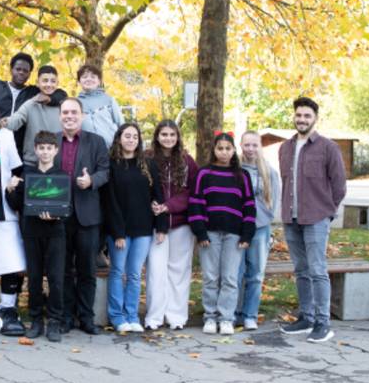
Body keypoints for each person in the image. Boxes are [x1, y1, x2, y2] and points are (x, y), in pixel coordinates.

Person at [279, 97, 347, 343]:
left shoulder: (328, 147)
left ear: (315, 119)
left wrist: (328, 212)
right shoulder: (285, 148)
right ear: (294, 116)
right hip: (291, 218)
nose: (302, 119)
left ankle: (323, 322)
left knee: (318, 270)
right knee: (301, 270)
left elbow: (339, 186)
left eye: (307, 116)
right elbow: (287, 183)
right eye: (299, 115)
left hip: (316, 218)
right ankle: (306, 318)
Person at [102, 123, 168, 335]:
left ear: (139, 140)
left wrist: (161, 226)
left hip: (143, 228)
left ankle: (131, 315)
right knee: (117, 271)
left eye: (134, 136)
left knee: (134, 274)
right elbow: (109, 201)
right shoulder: (111, 164)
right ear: (119, 138)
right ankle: (117, 316)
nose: (131, 140)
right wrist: (118, 232)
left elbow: (158, 196)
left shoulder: (147, 164)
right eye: (126, 136)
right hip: (119, 231)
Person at [190, 132, 256, 336]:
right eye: (220, 148)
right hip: (209, 233)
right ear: (214, 150)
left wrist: (247, 235)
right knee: (210, 277)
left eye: (228, 148)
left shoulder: (241, 175)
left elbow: (249, 205)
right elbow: (196, 204)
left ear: (233, 150)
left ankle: (226, 318)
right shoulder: (204, 174)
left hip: (234, 235)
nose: (224, 152)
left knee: (229, 278)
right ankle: (210, 317)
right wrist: (200, 232)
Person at [5, 131, 68, 342]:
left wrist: (56, 216)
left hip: (55, 234)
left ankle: (54, 322)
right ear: (36, 150)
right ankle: (36, 320)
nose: (45, 152)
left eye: (49, 148)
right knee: (33, 280)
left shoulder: (62, 176)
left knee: (56, 280)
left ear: (55, 150)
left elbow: (68, 209)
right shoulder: (28, 176)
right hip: (32, 233)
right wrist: (9, 190)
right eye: (41, 148)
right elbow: (16, 205)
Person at [56, 98, 110, 334]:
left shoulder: (96, 142)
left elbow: (106, 171)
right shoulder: (51, 141)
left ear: (83, 115)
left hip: (87, 215)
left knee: (87, 270)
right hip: (58, 216)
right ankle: (67, 316)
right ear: (60, 116)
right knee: (64, 270)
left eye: (74, 112)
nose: (69, 116)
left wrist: (91, 181)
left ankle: (86, 317)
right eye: (65, 112)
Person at [143, 120, 199, 331]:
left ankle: (176, 315)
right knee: (156, 271)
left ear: (178, 137)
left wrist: (168, 206)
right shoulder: (147, 159)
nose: (168, 138)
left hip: (180, 223)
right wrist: (154, 205)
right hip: (155, 224)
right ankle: (154, 316)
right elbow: (141, 186)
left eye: (172, 135)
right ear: (157, 136)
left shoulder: (187, 161)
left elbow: (192, 192)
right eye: (164, 134)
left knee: (179, 270)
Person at [235, 130, 281, 331]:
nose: (251, 149)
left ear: (260, 146)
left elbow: (274, 201)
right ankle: (233, 313)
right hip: (236, 227)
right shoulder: (234, 168)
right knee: (235, 274)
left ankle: (250, 315)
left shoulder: (268, 171)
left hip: (260, 228)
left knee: (255, 274)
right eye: (247, 145)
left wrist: (263, 219)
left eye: (255, 145)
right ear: (241, 145)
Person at [4, 65, 67, 165]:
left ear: (57, 83)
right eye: (45, 81)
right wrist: (2, 122)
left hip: (58, 162)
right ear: (37, 83)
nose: (49, 84)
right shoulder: (30, 104)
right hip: (32, 162)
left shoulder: (64, 104)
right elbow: (15, 121)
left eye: (53, 81)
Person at [76, 64, 124, 148]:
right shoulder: (75, 103)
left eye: (93, 77)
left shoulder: (109, 100)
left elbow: (121, 124)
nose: (88, 79)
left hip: (111, 149)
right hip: (87, 150)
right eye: (84, 77)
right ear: (79, 81)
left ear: (99, 81)